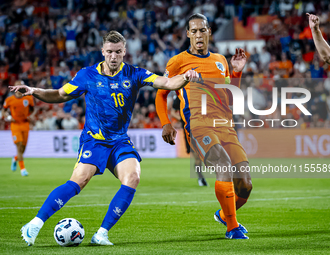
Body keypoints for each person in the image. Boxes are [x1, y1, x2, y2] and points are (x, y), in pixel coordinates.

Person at [10, 30, 199, 246]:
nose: (113, 57)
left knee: (133, 177)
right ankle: (34, 224)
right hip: (95, 140)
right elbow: (61, 94)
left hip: (119, 140)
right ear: (102, 51)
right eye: (109, 52)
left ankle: (101, 233)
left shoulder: (135, 73)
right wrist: (33, 90)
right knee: (79, 181)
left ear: (124, 52)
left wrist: (185, 77)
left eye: (118, 52)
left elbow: (167, 83)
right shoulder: (87, 75)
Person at [155, 14, 252, 239]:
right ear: (188, 34)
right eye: (194, 31)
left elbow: (230, 95)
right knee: (223, 165)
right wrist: (166, 123)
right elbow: (161, 95)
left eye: (202, 30)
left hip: (225, 126)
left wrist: (236, 71)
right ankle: (232, 228)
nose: (198, 34)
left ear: (209, 32)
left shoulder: (220, 60)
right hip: (198, 126)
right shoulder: (178, 62)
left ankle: (225, 214)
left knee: (245, 185)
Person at [1, 80, 35, 176]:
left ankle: (15, 158)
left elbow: (33, 110)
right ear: (14, 88)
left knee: (23, 149)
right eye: (17, 86)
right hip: (15, 125)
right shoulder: (9, 100)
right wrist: (8, 117)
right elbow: (3, 111)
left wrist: (30, 115)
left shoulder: (28, 98)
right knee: (19, 146)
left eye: (21, 86)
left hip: (25, 124)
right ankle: (23, 169)